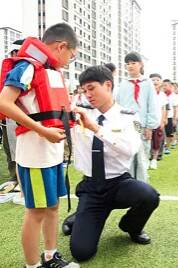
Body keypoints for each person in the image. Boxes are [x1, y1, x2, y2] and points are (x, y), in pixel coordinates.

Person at [0, 23, 79, 268]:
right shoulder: (27, 67)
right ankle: (32, 265)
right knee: (35, 212)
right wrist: (42, 130)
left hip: (53, 152)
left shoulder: (52, 72)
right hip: (35, 154)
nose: (69, 60)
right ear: (61, 46)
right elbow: (4, 103)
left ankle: (50, 256)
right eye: (72, 56)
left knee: (53, 206)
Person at [69, 65, 160, 262]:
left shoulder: (128, 116)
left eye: (92, 88)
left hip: (119, 183)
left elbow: (131, 148)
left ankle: (131, 227)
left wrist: (96, 129)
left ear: (108, 85)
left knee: (149, 196)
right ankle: (79, 216)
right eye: (84, 90)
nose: (88, 95)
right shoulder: (78, 114)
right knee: (82, 252)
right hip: (92, 187)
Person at [115, 52, 159, 182]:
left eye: (133, 63)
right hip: (125, 126)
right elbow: (118, 105)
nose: (130, 66)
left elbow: (152, 105)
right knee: (126, 158)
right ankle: (127, 187)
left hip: (142, 125)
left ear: (141, 64)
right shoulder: (122, 84)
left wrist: (149, 126)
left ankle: (141, 187)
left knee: (141, 158)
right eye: (127, 64)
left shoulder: (148, 83)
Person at [0, 39, 24, 188]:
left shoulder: (23, 68)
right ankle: (14, 177)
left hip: (18, 116)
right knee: (9, 148)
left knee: (19, 148)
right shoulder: (7, 67)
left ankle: (20, 178)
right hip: (6, 116)